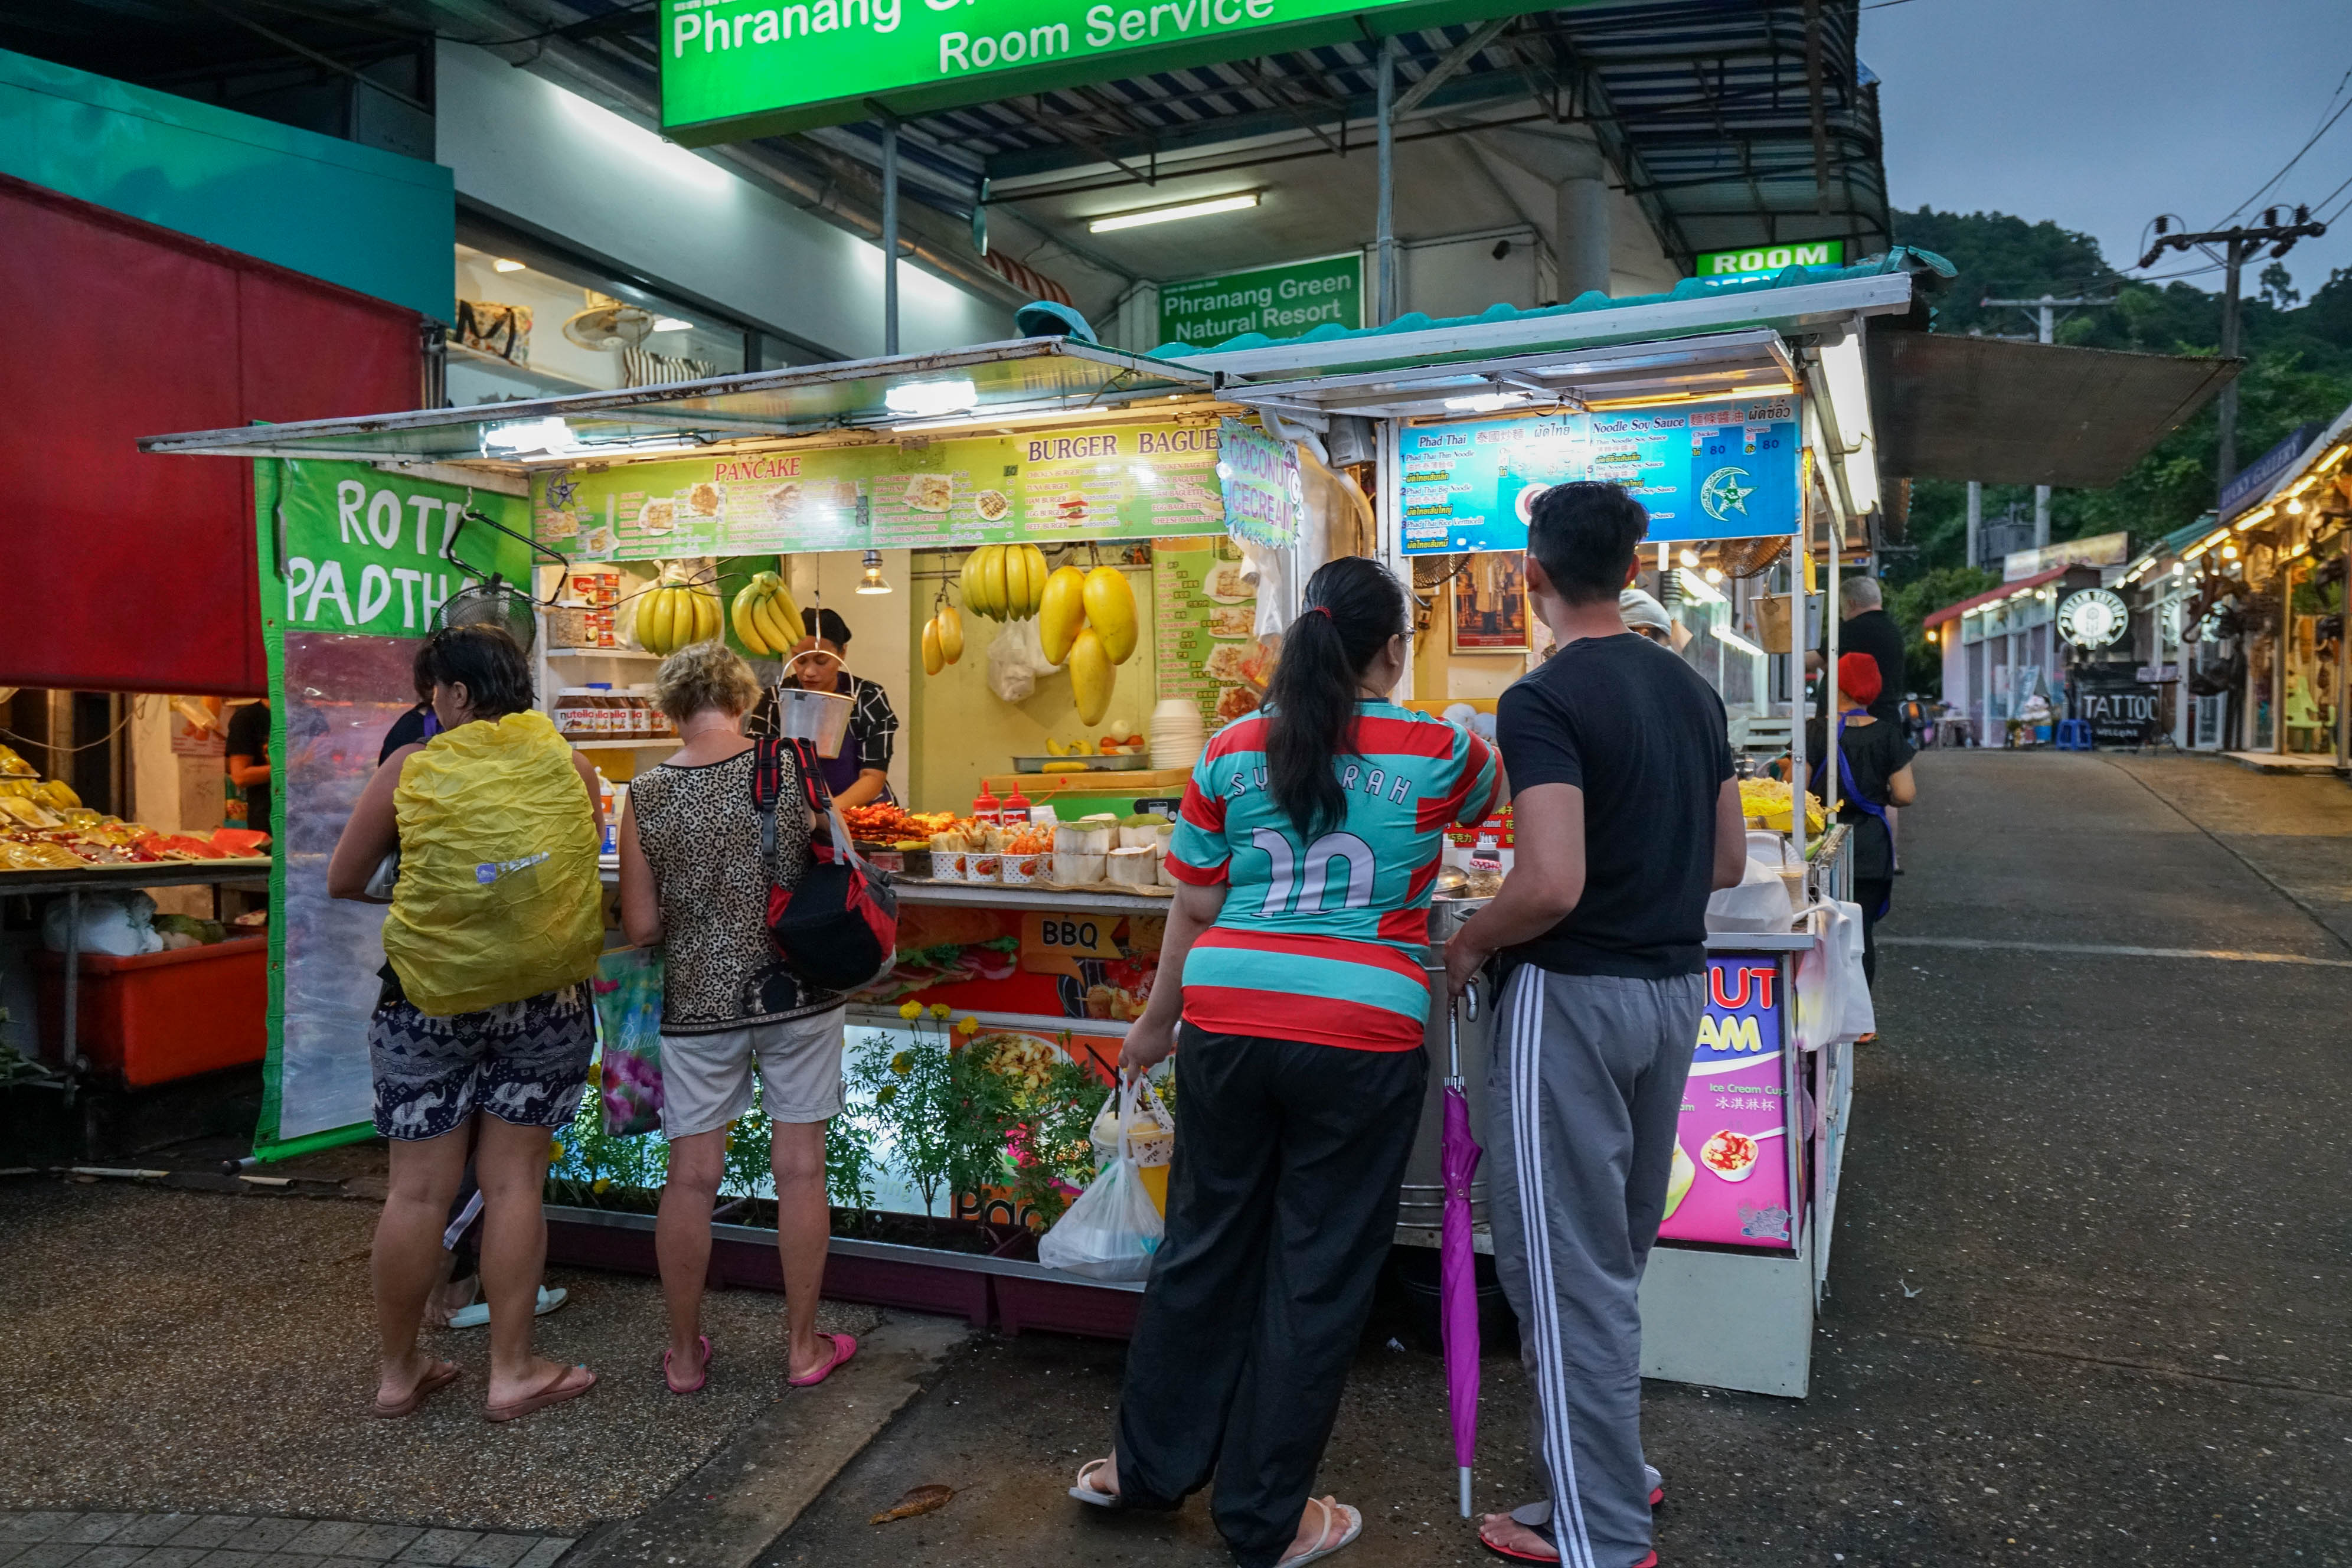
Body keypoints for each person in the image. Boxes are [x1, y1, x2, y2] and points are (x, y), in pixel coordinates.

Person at [1067, 557, 1500, 1568]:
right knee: (1316, 1269)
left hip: (1225, 1020)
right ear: (1391, 647)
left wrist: (1153, 1024)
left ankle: (1145, 1470)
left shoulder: (1228, 749)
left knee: (1203, 1244)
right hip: (1360, 1035)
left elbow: (1194, 902)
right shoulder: (1436, 746)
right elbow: (1496, 798)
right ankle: (1264, 1517)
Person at [1442, 482, 1746, 1568]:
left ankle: (1601, 1534)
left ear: (1530, 574)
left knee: (1559, 1267)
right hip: (1673, 998)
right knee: (1606, 1259)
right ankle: (1614, 1477)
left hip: (1566, 999)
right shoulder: (1689, 689)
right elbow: (1727, 862)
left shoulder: (1543, 698)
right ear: (1634, 563)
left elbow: (1550, 881)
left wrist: (1471, 939)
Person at [327, 624, 604, 1423]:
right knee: (515, 1181)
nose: (431, 710)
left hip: (425, 1001)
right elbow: (569, 873)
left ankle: (398, 1372)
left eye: (433, 696)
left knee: (416, 1193)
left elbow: (346, 879)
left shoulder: (409, 770)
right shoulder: (572, 764)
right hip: (544, 1000)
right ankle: (513, 1371)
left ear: (454, 694)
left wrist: (436, 899)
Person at [617, 640, 857, 1393]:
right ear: (745, 699)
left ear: (670, 710)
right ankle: (801, 1348)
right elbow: (840, 857)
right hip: (796, 992)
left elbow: (641, 926)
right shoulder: (788, 765)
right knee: (800, 1170)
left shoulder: (646, 791)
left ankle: (686, 1357)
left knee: (690, 1179)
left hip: (697, 1007)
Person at [1806, 652, 1917, 988]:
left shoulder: (1815, 731)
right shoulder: (1887, 735)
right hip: (1869, 844)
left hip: (1820, 842)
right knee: (1860, 929)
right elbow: (1905, 794)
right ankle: (1860, 1021)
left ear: (1835, 687)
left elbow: (1794, 789)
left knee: (1818, 928)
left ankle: (1819, 1017)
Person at [771, 607, 897, 809]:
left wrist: (828, 813)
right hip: (795, 812)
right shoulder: (774, 700)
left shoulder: (868, 697)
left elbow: (873, 776)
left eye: (822, 661)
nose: (810, 672)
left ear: (842, 653)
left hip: (861, 812)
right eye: (800, 660)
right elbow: (760, 768)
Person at [224, 699, 272, 835]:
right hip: (267, 823)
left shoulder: (312, 715)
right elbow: (240, 777)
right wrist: (294, 766)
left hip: (314, 817)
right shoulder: (247, 718)